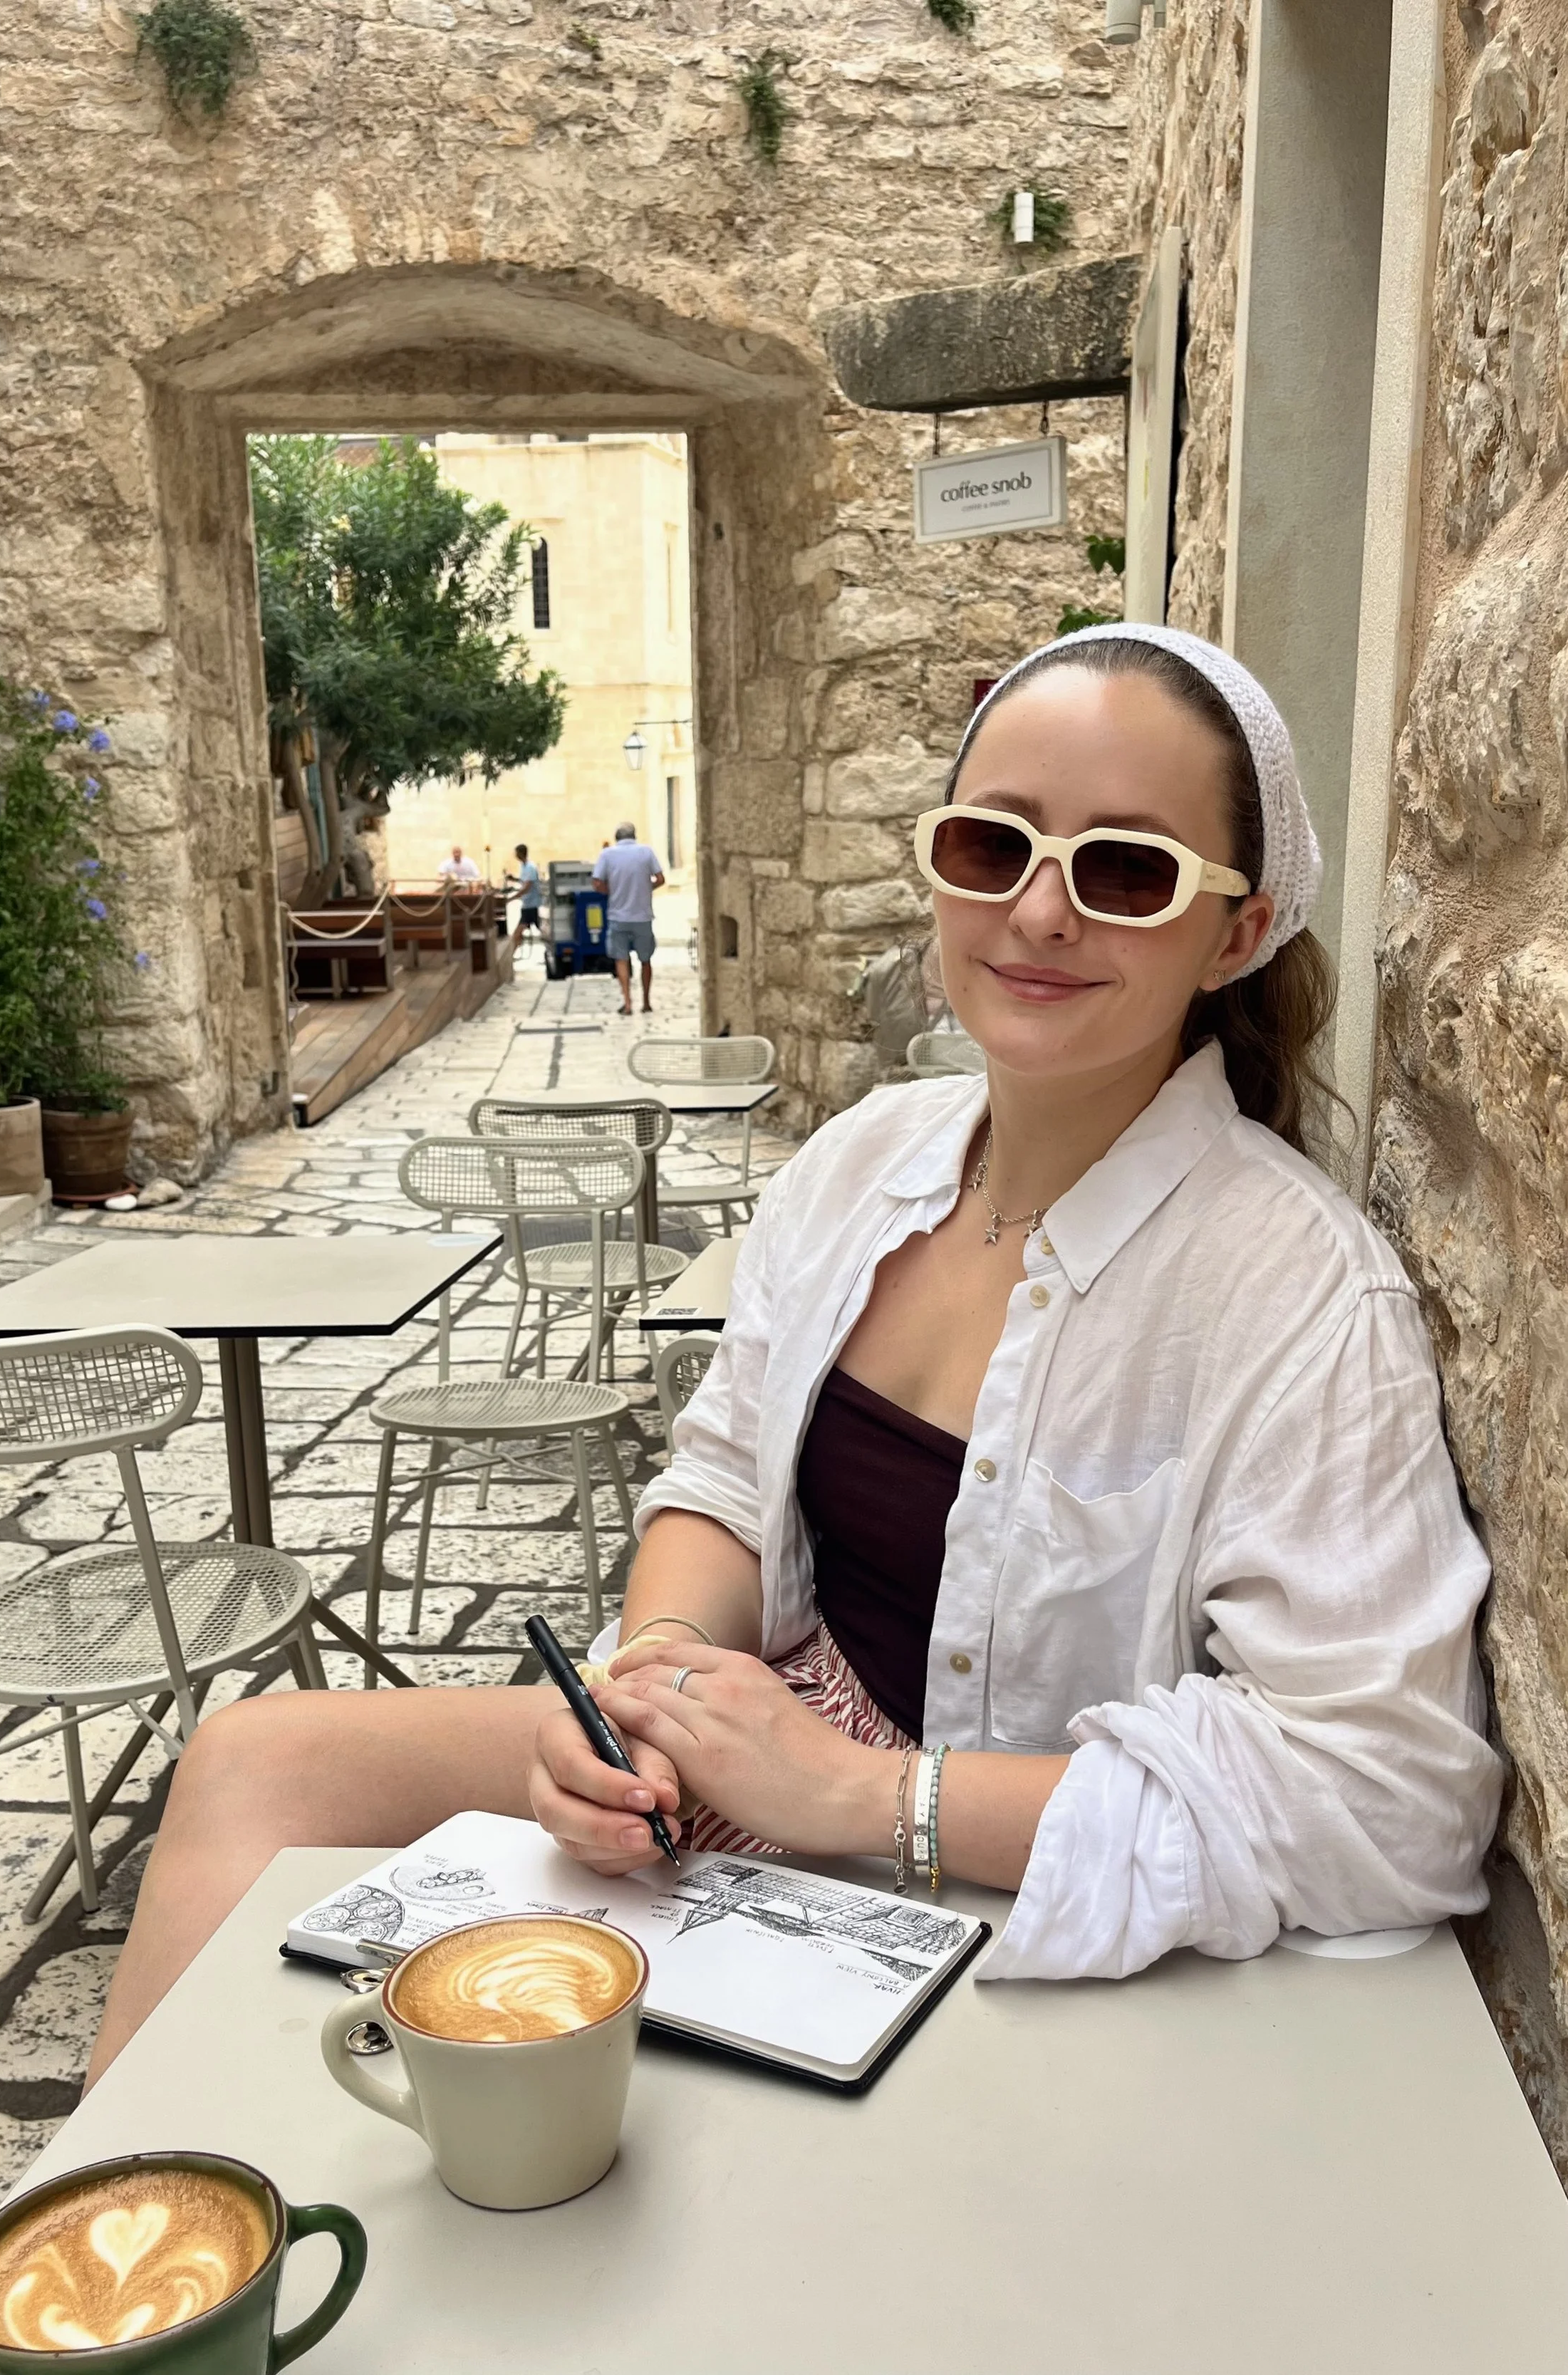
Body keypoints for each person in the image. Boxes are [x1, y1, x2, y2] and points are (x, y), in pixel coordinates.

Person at [85, 624, 1500, 2084]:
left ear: (1234, 929)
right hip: (752, 1749)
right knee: (253, 1757)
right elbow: (718, 1467)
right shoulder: (859, 1164)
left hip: (965, 1857)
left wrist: (876, 1795)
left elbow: (1385, 1794)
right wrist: (653, 1677)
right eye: (991, 843)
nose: (1039, 912)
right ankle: (144, 2248)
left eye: (1124, 870)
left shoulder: (1295, 1294)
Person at [591, 821, 664, 1015]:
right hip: (643, 915)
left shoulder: (607, 855)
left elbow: (597, 882)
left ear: (617, 838)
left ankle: (628, 1003)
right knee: (646, 960)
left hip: (618, 916)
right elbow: (660, 879)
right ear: (634, 836)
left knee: (621, 959)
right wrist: (646, 890)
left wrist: (611, 892)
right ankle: (647, 1002)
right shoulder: (646, 852)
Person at [508, 843, 541, 950]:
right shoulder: (523, 866)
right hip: (527, 905)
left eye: (516, 853)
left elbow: (527, 887)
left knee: (517, 935)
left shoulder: (530, 867)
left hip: (532, 906)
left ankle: (511, 957)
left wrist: (512, 898)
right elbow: (524, 881)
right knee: (518, 934)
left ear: (521, 854)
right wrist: (514, 879)